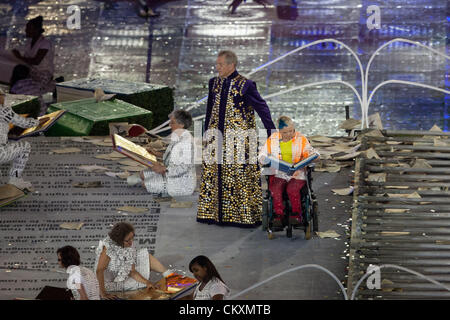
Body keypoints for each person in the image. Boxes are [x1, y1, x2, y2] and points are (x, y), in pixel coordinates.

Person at [197, 50, 275, 228]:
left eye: (221, 64)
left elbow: (261, 108)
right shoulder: (214, 83)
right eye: (217, 64)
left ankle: (243, 215)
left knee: (239, 175)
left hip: (239, 139)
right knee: (215, 174)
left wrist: (272, 132)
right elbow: (210, 108)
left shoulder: (245, 85)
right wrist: (206, 132)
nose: (217, 68)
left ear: (231, 65)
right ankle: (215, 214)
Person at [259, 116, 319, 227]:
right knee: (275, 189)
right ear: (279, 131)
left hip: (297, 173)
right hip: (279, 173)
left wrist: (313, 157)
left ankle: (296, 215)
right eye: (285, 132)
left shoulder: (301, 139)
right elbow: (262, 154)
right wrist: (265, 159)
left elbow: (311, 152)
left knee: (292, 189)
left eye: (291, 131)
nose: (289, 134)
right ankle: (279, 216)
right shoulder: (273, 139)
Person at [127, 110, 196, 197]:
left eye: (172, 123)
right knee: (142, 174)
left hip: (181, 183)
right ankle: (156, 182)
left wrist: (164, 169)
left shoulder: (187, 143)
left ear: (181, 125)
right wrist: (156, 153)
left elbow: (183, 168)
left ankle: (168, 191)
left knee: (146, 184)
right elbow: (172, 156)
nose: (169, 125)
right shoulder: (178, 136)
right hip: (170, 173)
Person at [94, 222, 172, 299]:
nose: (131, 242)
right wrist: (103, 293)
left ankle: (169, 275)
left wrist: (147, 282)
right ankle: (170, 279)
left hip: (122, 272)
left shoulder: (127, 242)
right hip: (110, 282)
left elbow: (132, 272)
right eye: (128, 240)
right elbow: (99, 271)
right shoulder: (108, 249)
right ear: (119, 240)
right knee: (142, 282)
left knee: (145, 255)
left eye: (132, 237)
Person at [0, 91, 47, 190]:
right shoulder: (3, 110)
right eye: (3, 96)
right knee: (25, 146)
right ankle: (15, 180)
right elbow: (24, 123)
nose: (6, 98)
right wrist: (38, 121)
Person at [11, 16, 55, 96]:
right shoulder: (29, 43)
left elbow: (36, 61)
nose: (26, 30)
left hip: (43, 76)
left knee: (24, 93)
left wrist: (19, 57)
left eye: (28, 28)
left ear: (36, 30)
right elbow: (27, 59)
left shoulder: (45, 43)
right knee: (15, 88)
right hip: (33, 75)